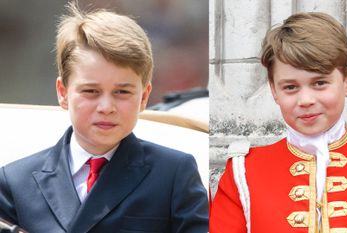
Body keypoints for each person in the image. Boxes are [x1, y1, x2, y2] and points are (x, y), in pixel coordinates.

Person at [0, 3, 208, 233]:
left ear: (144, 96)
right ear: (63, 92)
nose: (106, 107)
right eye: (91, 91)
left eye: (122, 92)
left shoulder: (173, 174)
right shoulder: (16, 181)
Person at [210, 12, 347, 233]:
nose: (305, 100)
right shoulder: (243, 172)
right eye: (290, 87)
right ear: (274, 90)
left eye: (319, 83)